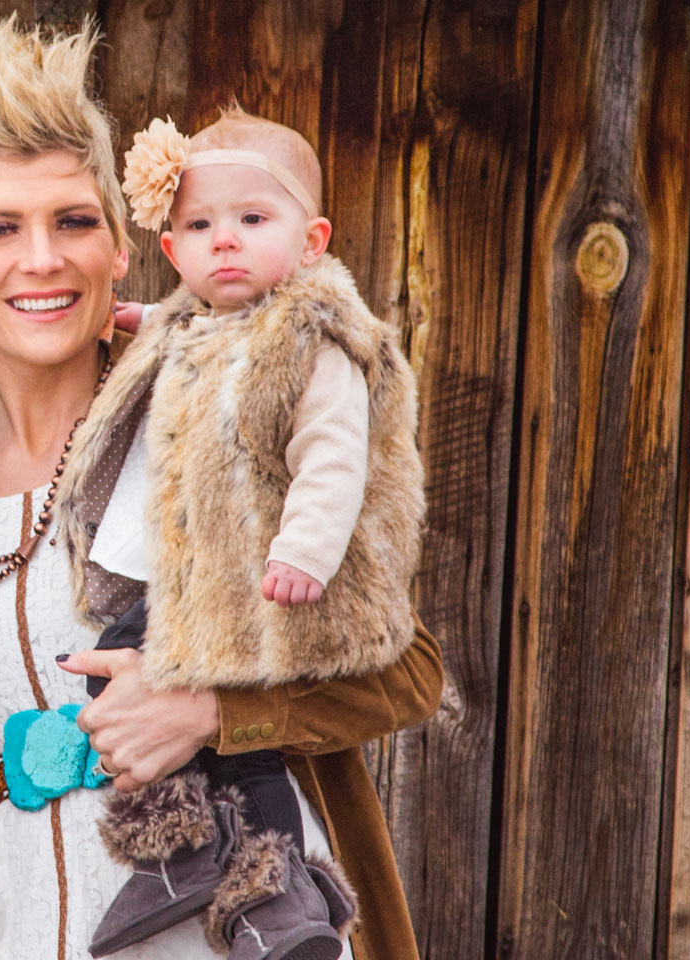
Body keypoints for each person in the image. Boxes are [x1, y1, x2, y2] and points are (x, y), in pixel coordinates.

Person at [0, 15, 441, 960]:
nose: (42, 258)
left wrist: (209, 712)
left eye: (74, 221)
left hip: (225, 928)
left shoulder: (216, 421)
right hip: (14, 928)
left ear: (122, 248)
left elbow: (407, 670)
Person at [53, 105, 426, 959]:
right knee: (121, 668)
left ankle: (284, 895)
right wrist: (134, 321)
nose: (224, 240)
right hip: (191, 599)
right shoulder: (193, 324)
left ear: (311, 240)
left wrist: (303, 552)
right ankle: (181, 853)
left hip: (260, 602)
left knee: (247, 753)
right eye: (199, 225)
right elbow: (180, 341)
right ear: (173, 247)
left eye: (252, 220)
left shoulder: (313, 341)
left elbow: (333, 457)